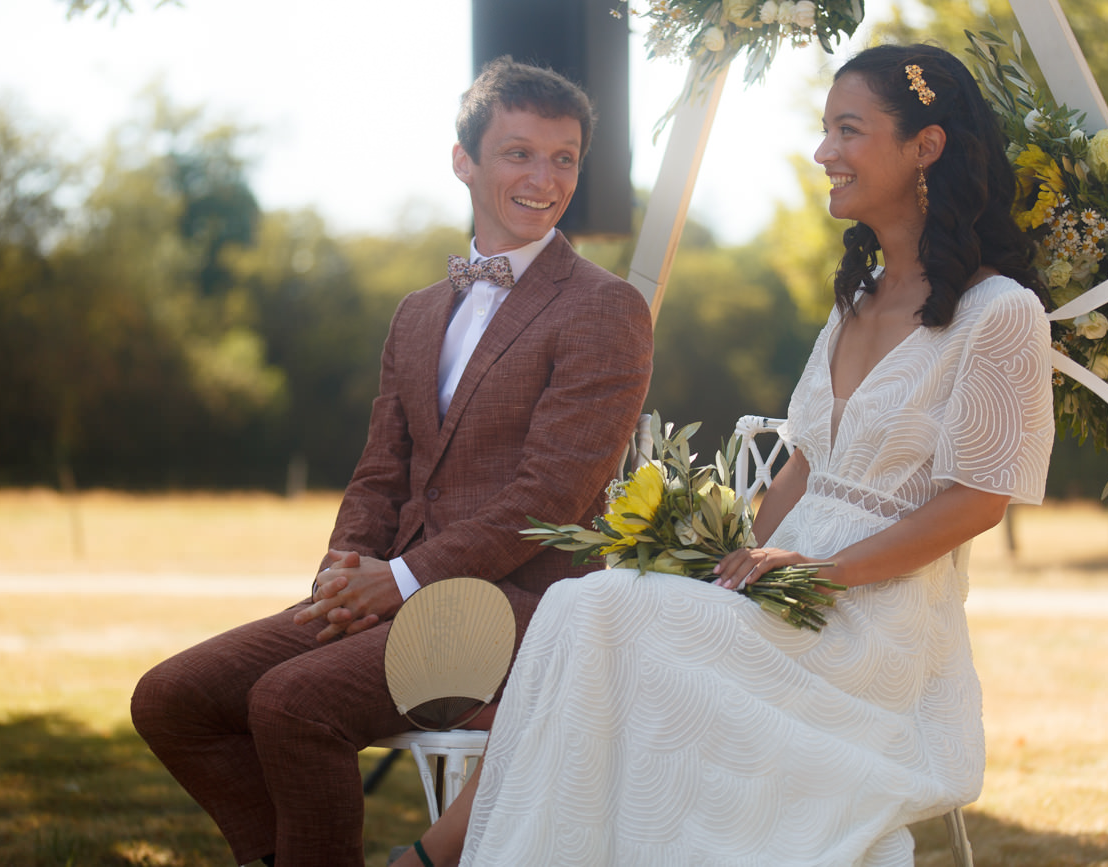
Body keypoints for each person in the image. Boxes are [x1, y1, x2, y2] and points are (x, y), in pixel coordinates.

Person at [393, 43, 1055, 867]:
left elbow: (975, 502)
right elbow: (804, 469)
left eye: (848, 130)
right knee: (591, 602)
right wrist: (722, 568)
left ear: (925, 147)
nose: (825, 152)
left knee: (595, 610)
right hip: (783, 589)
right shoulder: (856, 300)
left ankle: (437, 855)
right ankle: (470, 850)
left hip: (874, 628)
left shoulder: (1002, 313)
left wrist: (817, 571)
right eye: (824, 130)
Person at [130, 57, 654, 867]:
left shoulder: (605, 307)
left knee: (294, 702)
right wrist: (345, 569)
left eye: (565, 157)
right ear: (464, 161)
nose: (545, 178)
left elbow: (551, 496)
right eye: (519, 152)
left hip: (520, 610)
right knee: (171, 699)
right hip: (396, 591)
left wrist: (401, 579)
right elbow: (381, 469)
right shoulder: (417, 314)